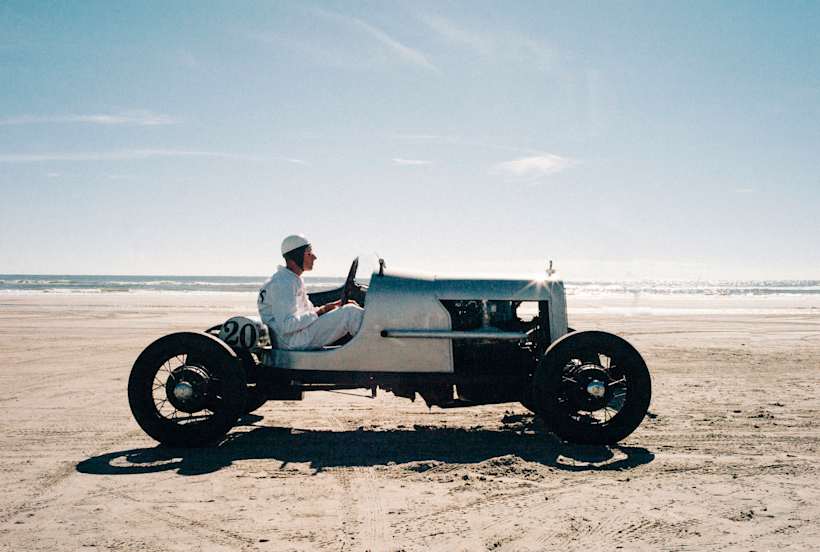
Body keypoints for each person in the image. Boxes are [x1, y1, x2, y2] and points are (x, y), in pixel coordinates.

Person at [257, 234, 364, 350]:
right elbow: (287, 325)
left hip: (296, 335)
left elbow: (307, 312)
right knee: (350, 313)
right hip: (292, 341)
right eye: (309, 253)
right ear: (296, 257)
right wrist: (322, 310)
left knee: (347, 309)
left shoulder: (290, 279)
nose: (314, 257)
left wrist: (334, 306)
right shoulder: (283, 283)